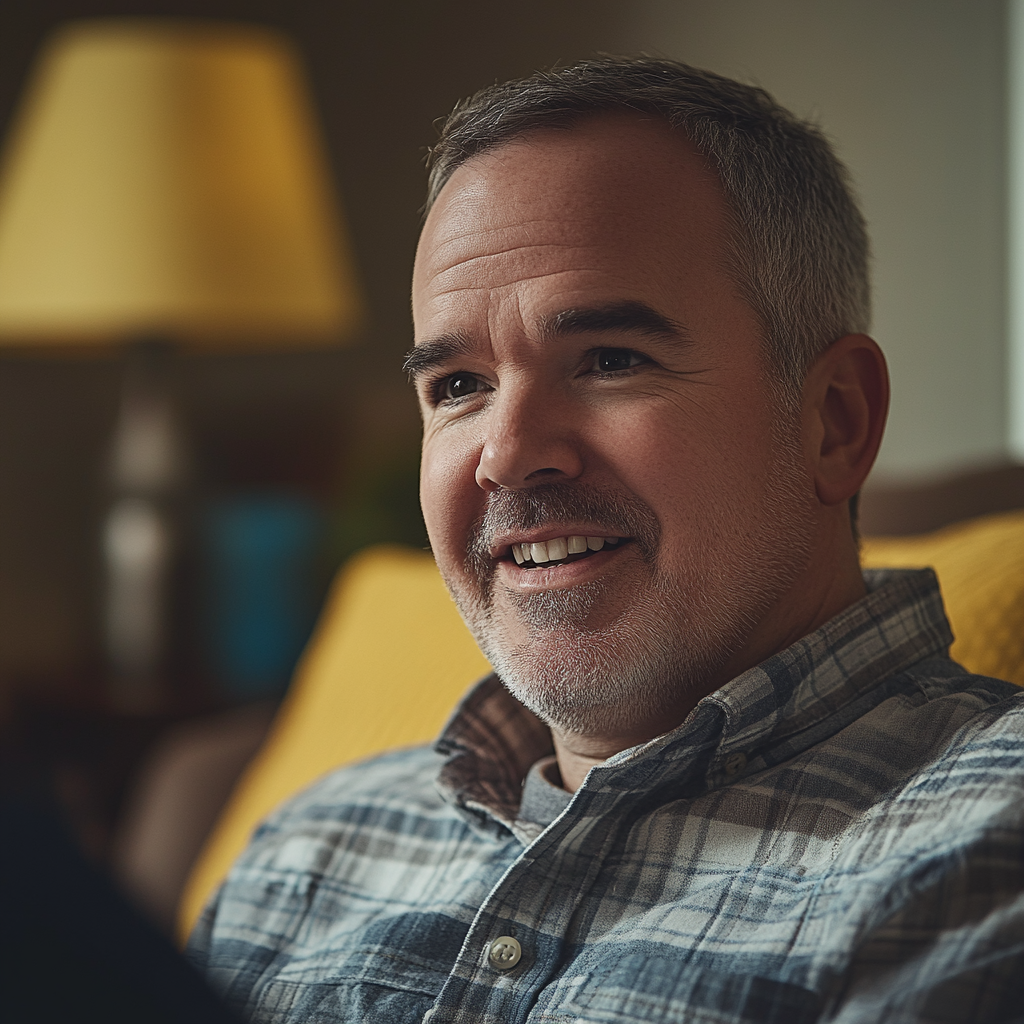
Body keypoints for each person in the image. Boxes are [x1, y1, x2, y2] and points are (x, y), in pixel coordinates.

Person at [188, 58, 1024, 1023]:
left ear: (833, 420)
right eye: (456, 385)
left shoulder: (986, 845)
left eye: (610, 360)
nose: (506, 455)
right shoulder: (306, 845)